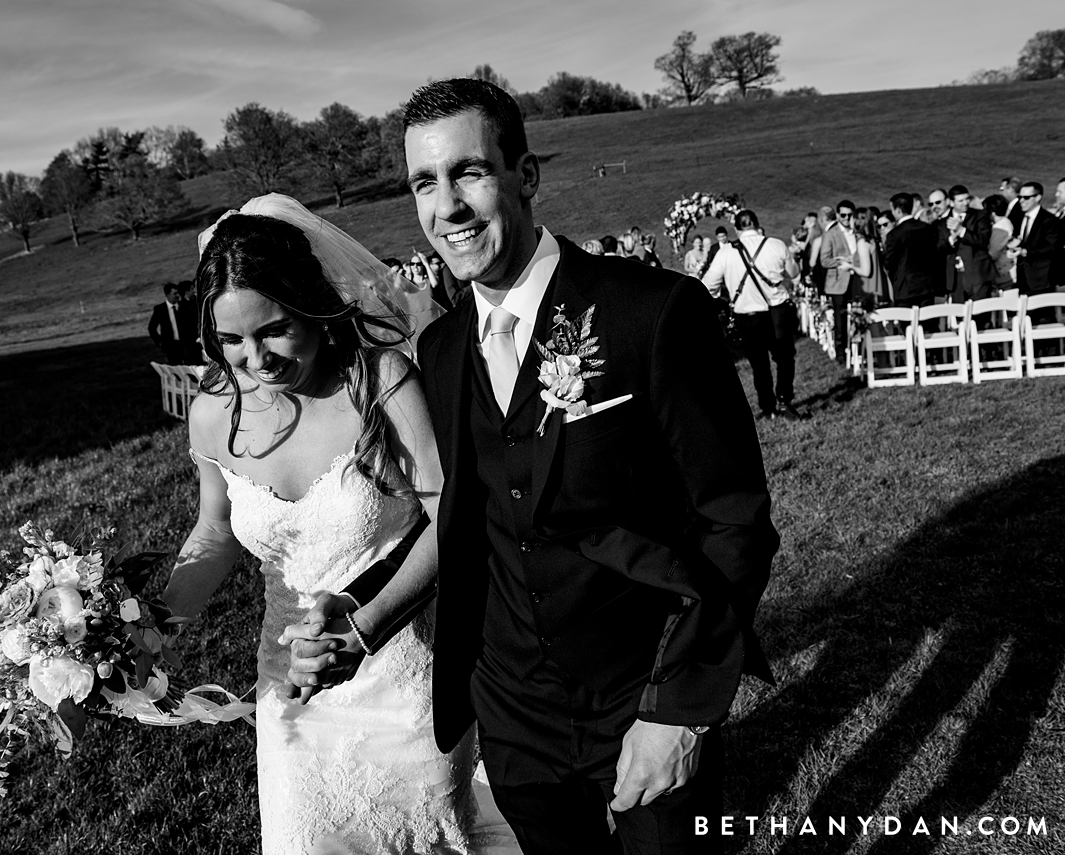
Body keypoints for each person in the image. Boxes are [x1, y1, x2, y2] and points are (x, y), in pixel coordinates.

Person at [285, 78, 778, 855]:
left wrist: (677, 710)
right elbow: (464, 517)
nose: (446, 205)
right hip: (515, 725)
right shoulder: (441, 352)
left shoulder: (652, 312)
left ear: (526, 175)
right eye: (424, 182)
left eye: (469, 172)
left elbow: (735, 519)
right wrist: (363, 623)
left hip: (641, 696)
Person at [160, 194, 514, 855]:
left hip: (407, 679)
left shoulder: (378, 380)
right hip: (290, 690)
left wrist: (365, 624)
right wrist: (143, 626)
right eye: (231, 340)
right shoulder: (213, 412)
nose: (255, 359)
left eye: (273, 331)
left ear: (314, 309)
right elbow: (212, 533)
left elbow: (454, 518)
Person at [703, 210, 804, 421]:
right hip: (777, 311)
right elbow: (794, 273)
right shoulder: (776, 245)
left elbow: (707, 285)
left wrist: (726, 294)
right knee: (785, 358)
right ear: (757, 225)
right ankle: (784, 399)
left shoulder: (726, 252)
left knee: (759, 364)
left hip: (747, 315)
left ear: (737, 229)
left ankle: (768, 407)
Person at [1009, 181, 1065, 326]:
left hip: (1041, 278)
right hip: (1022, 277)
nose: (1022, 201)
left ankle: (1050, 348)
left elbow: (1053, 248)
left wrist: (1026, 252)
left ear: (1038, 197)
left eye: (1026, 198)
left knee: (1044, 318)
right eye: (1020, 197)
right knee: (1026, 317)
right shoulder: (1018, 218)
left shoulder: (1049, 220)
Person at [883, 192, 943, 309]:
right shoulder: (928, 228)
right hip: (928, 286)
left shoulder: (895, 234)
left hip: (905, 288)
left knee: (907, 325)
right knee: (928, 323)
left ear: (898, 211)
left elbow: (889, 263)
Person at [819, 199, 860, 362]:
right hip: (838, 281)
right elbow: (824, 260)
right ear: (837, 215)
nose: (846, 218)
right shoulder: (831, 234)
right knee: (840, 316)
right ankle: (841, 350)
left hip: (858, 278)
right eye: (843, 215)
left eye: (850, 215)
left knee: (857, 313)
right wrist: (844, 261)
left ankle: (858, 346)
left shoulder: (857, 231)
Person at [943, 184, 996, 304]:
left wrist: (962, 230)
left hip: (978, 274)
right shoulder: (943, 222)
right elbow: (939, 247)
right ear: (951, 203)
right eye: (960, 200)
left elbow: (983, 240)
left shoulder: (980, 216)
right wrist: (952, 239)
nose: (965, 203)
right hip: (956, 278)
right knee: (960, 315)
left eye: (967, 199)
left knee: (980, 314)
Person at [148, 282, 201, 365]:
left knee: (192, 366)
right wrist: (160, 342)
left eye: (178, 293)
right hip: (171, 346)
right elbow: (152, 327)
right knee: (177, 367)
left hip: (187, 344)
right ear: (167, 294)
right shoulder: (160, 309)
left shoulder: (184, 305)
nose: (177, 296)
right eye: (174, 293)